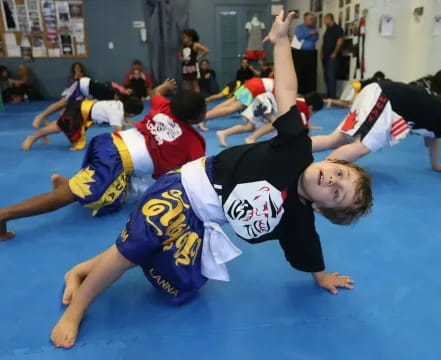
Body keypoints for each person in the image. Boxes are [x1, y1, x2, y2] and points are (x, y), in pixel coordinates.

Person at [49, 11, 373, 349]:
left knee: (180, 284)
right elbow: (288, 90)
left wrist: (322, 277)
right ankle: (79, 309)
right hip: (183, 189)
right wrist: (280, 42)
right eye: (339, 173)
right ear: (332, 161)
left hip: (201, 220)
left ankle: (80, 270)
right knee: (132, 249)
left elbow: (309, 250)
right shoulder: (296, 146)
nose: (331, 180)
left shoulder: (299, 219)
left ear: (321, 208)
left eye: (336, 193)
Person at [0, 80, 207, 241]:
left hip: (109, 143)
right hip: (116, 161)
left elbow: (156, 94)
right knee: (71, 195)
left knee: (115, 199)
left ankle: (66, 182)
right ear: (195, 119)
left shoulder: (164, 107)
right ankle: (5, 214)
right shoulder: (194, 142)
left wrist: (161, 87)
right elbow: (197, 176)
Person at [310, 81, 441, 187]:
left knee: (336, 139)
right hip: (383, 98)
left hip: (374, 92)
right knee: (361, 147)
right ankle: (318, 174)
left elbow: (433, 138)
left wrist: (436, 165)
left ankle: (291, 146)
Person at [22, 93, 143, 151]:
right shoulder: (116, 112)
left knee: (59, 126)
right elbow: (119, 133)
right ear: (132, 113)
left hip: (82, 109)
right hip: (79, 111)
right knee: (59, 128)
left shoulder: (120, 106)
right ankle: (32, 138)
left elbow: (122, 126)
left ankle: (42, 134)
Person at [216, 91, 324, 147]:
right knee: (276, 123)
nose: (312, 114)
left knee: (250, 126)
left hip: (264, 99)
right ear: (311, 108)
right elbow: (303, 128)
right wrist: (311, 138)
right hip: (266, 101)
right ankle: (251, 138)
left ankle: (224, 133)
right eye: (314, 112)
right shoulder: (303, 108)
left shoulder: (300, 102)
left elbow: (305, 124)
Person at [32, 76, 133, 129]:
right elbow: (114, 113)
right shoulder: (110, 95)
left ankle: (54, 122)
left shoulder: (112, 96)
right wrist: (122, 121)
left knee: (71, 112)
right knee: (62, 103)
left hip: (87, 94)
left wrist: (123, 120)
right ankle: (40, 116)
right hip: (81, 85)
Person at [198, 77, 274, 131]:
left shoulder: (279, 81)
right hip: (256, 87)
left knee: (228, 103)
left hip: (252, 83)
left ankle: (205, 117)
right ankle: (203, 118)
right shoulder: (281, 87)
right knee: (231, 109)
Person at [291, 12, 319, 94]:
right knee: (300, 73)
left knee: (310, 75)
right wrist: (309, 33)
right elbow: (299, 36)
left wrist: (307, 36)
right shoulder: (299, 28)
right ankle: (299, 92)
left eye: (312, 20)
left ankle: (310, 93)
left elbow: (315, 38)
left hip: (311, 54)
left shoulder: (314, 28)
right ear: (305, 19)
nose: (311, 21)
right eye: (310, 19)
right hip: (300, 53)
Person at [322, 14, 344, 99]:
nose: (324, 22)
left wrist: (334, 53)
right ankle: (328, 96)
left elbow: (340, 40)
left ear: (329, 19)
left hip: (332, 57)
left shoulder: (337, 29)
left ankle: (332, 97)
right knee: (326, 77)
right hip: (326, 57)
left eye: (325, 20)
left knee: (331, 77)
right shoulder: (328, 30)